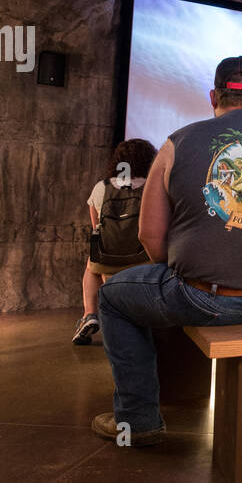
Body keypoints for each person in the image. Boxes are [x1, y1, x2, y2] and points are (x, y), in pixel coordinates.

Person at [92, 57, 242, 445]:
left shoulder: (178, 142)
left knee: (112, 297)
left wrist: (191, 267)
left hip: (206, 299)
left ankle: (137, 419)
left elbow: (149, 236)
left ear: (214, 96)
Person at [73, 138, 157, 345]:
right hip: (144, 260)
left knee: (90, 265)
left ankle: (89, 314)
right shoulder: (153, 188)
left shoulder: (101, 188)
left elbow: (96, 230)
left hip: (107, 261)